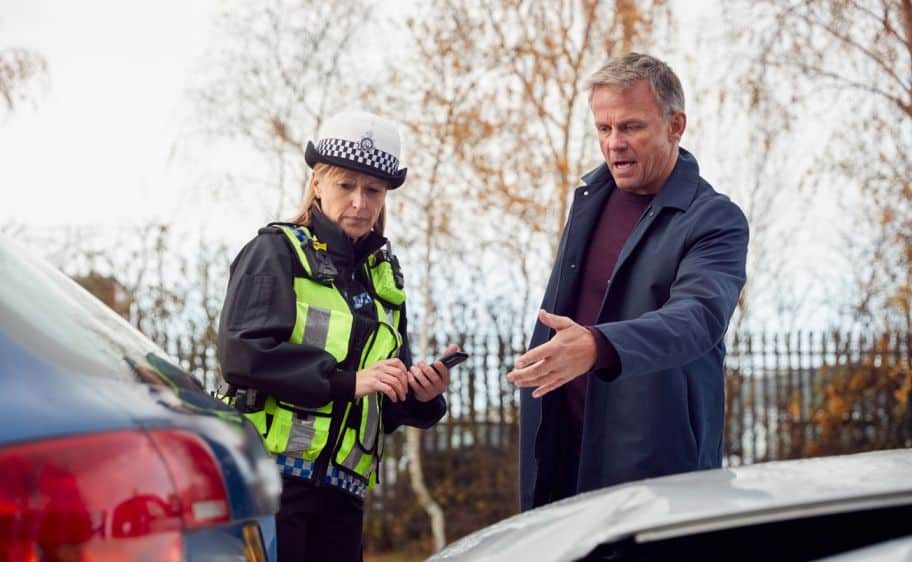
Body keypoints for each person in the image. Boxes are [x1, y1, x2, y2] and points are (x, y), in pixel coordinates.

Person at [508, 53, 749, 511]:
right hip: (560, 456)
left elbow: (698, 318)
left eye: (631, 127)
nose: (614, 143)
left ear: (675, 125)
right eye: (604, 129)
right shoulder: (588, 200)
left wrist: (599, 346)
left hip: (655, 472)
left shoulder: (715, 218)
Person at [218, 111, 457, 561]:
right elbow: (243, 353)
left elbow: (381, 403)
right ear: (317, 183)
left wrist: (421, 396)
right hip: (268, 486)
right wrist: (349, 382)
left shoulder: (386, 280)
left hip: (344, 498)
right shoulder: (273, 251)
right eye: (346, 185)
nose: (360, 203)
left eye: (373, 191)